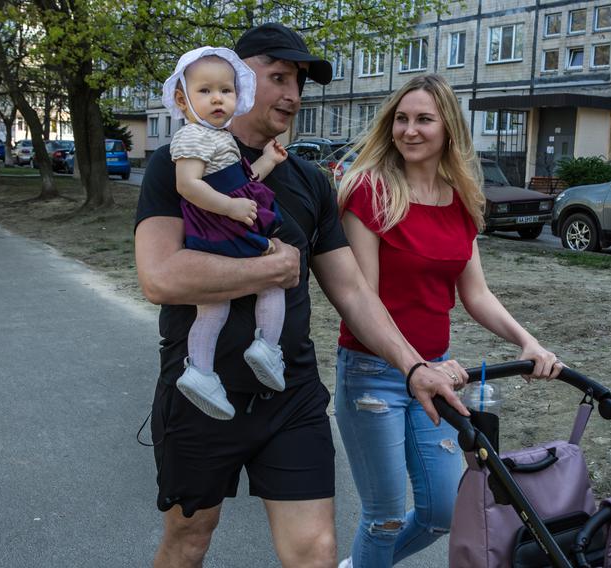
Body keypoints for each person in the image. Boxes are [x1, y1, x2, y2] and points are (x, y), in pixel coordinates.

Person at [134, 23, 469, 568]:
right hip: (203, 391)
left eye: (301, 83)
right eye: (280, 78)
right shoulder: (179, 162)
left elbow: (354, 291)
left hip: (290, 394)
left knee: (316, 550)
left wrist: (413, 367)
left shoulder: (311, 181)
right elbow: (160, 277)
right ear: (240, 79)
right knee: (189, 541)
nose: (293, 95)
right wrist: (269, 271)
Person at [333, 73, 563, 568]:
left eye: (423, 119)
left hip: (435, 375)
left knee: (441, 511)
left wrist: (529, 342)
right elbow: (362, 299)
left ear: (449, 129)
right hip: (373, 372)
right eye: (401, 119)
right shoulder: (368, 191)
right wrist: (420, 365)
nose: (409, 130)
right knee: (385, 517)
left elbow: (475, 293)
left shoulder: (460, 199)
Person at [161, 46, 289, 420]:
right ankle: (265, 347)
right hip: (220, 226)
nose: (218, 98)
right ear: (183, 101)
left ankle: (202, 371)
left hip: (226, 221)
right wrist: (231, 208)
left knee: (215, 306)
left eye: (226, 90)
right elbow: (188, 186)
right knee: (270, 280)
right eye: (205, 91)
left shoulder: (220, 137)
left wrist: (268, 160)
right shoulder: (190, 137)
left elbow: (242, 180)